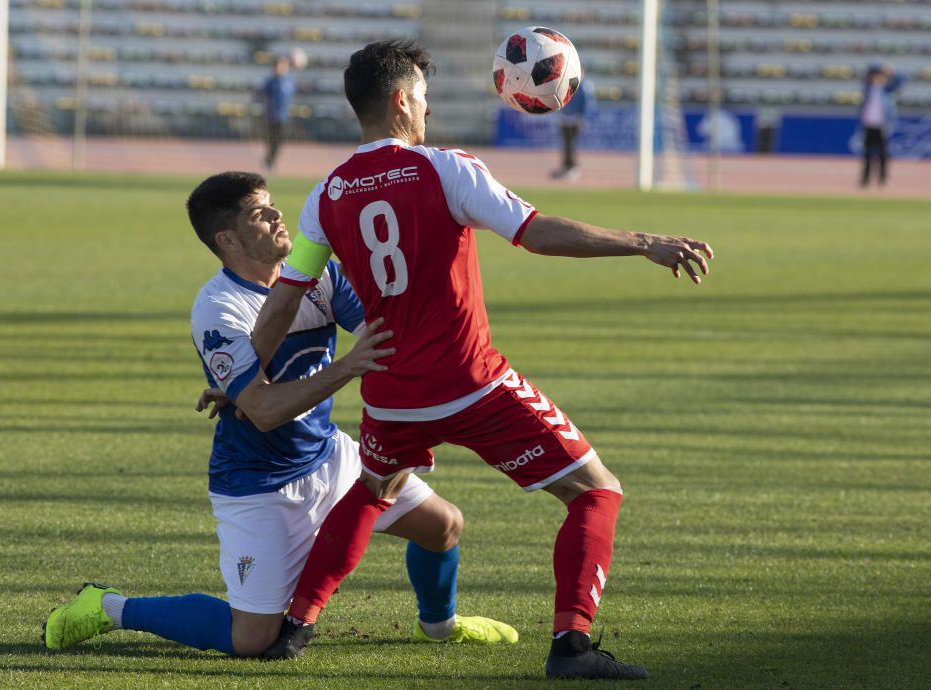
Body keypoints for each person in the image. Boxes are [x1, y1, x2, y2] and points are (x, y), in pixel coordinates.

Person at [249, 40, 713, 680]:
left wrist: (244, 378)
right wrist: (643, 243)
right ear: (401, 101)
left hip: (390, 392)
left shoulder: (325, 196)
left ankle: (295, 628)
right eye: (425, 99)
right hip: (474, 384)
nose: (428, 112)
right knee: (596, 492)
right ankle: (572, 646)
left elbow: (282, 302)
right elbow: (538, 233)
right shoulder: (446, 169)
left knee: (373, 489)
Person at [41, 171, 518, 657]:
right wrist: (349, 366)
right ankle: (108, 607)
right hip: (260, 485)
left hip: (328, 454)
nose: (276, 216)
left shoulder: (316, 278)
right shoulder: (219, 308)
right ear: (227, 239)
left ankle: (438, 627)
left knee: (443, 526)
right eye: (258, 213)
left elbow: (387, 330)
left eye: (272, 205)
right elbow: (264, 411)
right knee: (251, 639)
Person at [858, 64, 905, 187]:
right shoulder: (868, 89)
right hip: (869, 125)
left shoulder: (886, 91)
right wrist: (880, 67)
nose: (878, 79)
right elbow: (867, 71)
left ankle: (882, 179)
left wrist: (891, 72)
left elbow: (901, 79)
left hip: (882, 126)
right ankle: (865, 179)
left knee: (883, 154)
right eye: (876, 77)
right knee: (867, 154)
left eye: (880, 77)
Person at [258, 55, 296, 171]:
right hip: (271, 116)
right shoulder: (270, 82)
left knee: (279, 140)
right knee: (272, 140)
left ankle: (270, 161)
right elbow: (261, 95)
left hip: (283, 116)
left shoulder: (288, 81)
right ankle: (269, 161)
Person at [551, 78, 593, 180]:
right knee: (565, 144)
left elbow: (587, 103)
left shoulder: (584, 86)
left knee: (571, 144)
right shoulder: (565, 83)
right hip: (565, 117)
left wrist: (583, 117)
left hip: (575, 118)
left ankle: (572, 168)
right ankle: (565, 167)